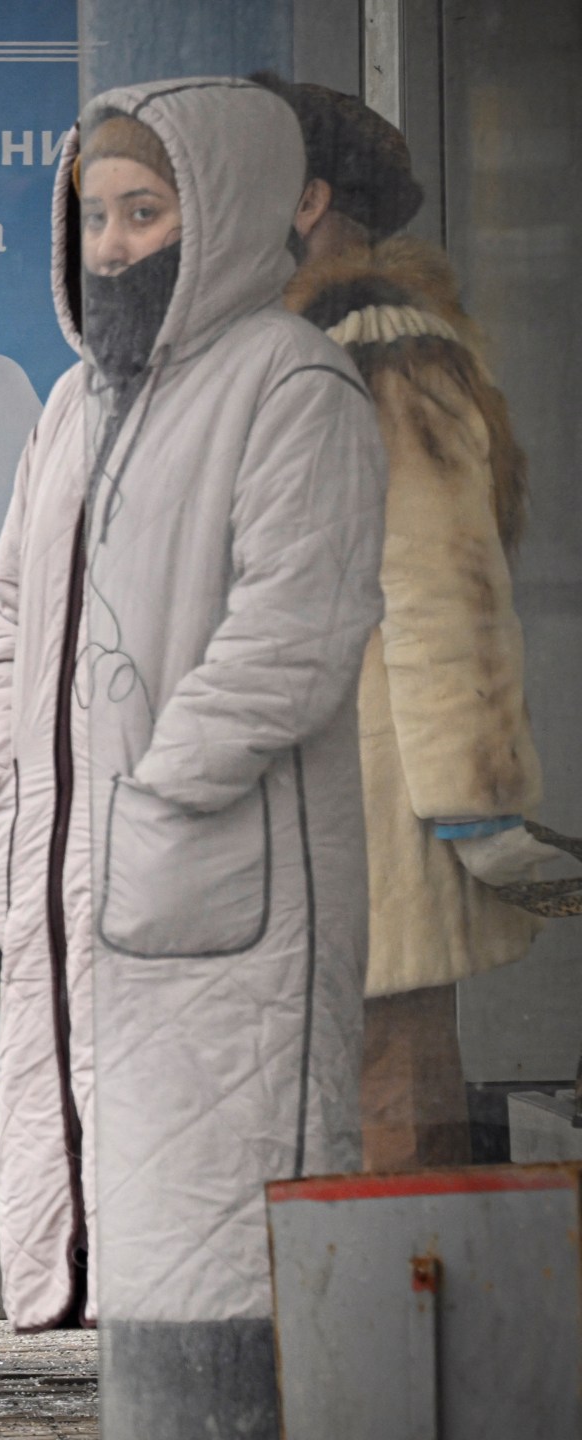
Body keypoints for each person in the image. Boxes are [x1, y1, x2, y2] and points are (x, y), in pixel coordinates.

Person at [0, 80, 385, 1436]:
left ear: (233, 212)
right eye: (95, 217)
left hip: (222, 892)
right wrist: (0, 796)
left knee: (231, 1260)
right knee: (127, 1233)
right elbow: (13, 624)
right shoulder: (72, 408)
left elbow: (295, 632)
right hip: (83, 891)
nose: (114, 246)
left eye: (147, 212)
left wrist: (149, 805)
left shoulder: (293, 384)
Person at [255, 74, 579, 1171]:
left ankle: (397, 1294)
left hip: (378, 810)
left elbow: (446, 593)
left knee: (387, 1129)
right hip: (325, 807)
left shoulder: (378, 349)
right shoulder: (300, 352)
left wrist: (474, 814)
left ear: (307, 200)